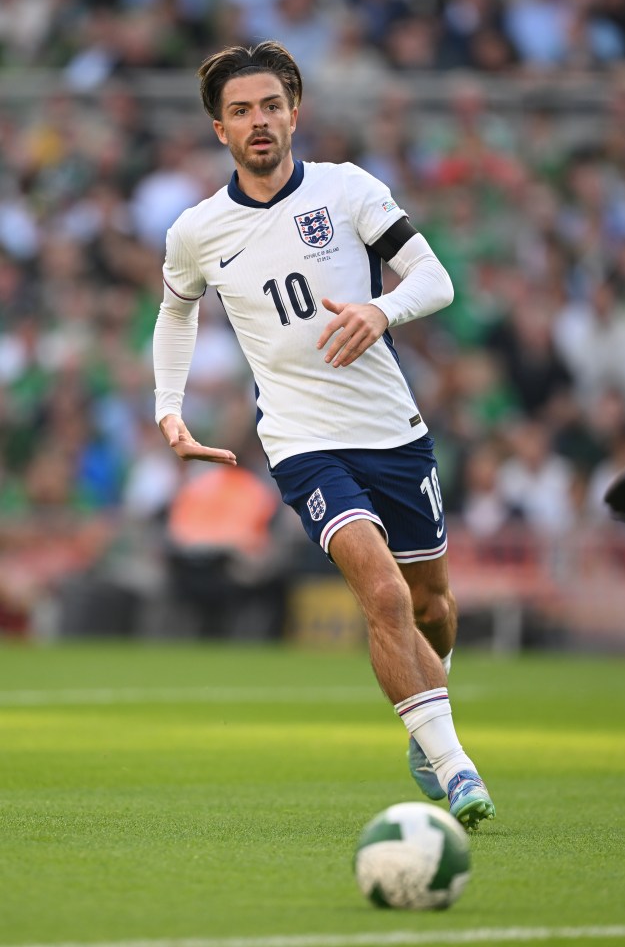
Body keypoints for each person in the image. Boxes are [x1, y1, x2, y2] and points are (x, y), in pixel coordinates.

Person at [152, 40, 495, 830]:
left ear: (294, 112)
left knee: (430, 605)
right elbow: (176, 310)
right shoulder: (197, 230)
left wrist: (382, 309)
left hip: (392, 431)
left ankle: (430, 696)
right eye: (240, 111)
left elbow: (434, 279)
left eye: (270, 105)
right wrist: (169, 406)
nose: (258, 121)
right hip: (302, 438)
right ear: (219, 130)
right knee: (378, 593)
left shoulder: (347, 191)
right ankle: (454, 766)